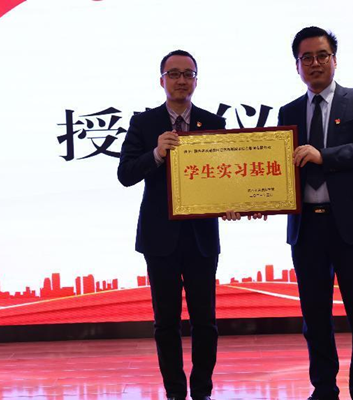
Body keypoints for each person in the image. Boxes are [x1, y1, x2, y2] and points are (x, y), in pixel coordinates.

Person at [277, 27, 353, 400]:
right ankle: (323, 387)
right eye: (306, 57)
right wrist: (256, 198)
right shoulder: (289, 111)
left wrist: (324, 156)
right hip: (306, 227)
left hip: (352, 226)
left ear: (334, 60)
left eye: (322, 55)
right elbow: (279, 168)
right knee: (315, 317)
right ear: (297, 65)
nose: (315, 63)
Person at [117, 50, 226, 400]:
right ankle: (175, 392)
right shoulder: (144, 123)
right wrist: (155, 153)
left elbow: (224, 176)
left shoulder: (213, 122)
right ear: (161, 80)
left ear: (196, 80)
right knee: (166, 322)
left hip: (201, 236)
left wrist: (234, 202)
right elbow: (125, 174)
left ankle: (202, 390)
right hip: (159, 237)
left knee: (205, 321)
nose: (181, 80)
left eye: (188, 74)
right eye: (174, 74)